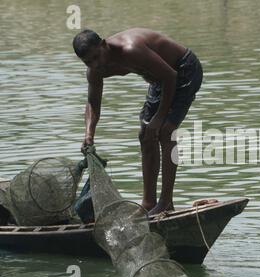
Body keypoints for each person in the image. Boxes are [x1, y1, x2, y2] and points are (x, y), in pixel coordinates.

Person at [72, 28, 203, 216]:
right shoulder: (94, 71)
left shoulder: (130, 49)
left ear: (103, 45)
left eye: (96, 57)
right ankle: (149, 203)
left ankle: (166, 203)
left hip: (183, 69)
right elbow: (93, 102)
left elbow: (170, 76)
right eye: (88, 62)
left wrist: (159, 117)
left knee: (165, 131)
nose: (95, 64)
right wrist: (89, 133)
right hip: (160, 81)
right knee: (145, 134)